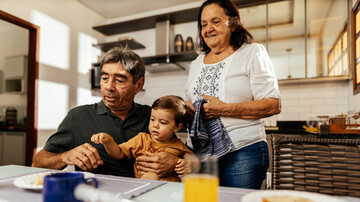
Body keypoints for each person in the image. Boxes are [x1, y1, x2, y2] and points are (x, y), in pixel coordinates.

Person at [32, 47, 178, 178]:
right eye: (105, 78)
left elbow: (181, 155)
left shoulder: (153, 117)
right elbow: (38, 163)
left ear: (139, 85)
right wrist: (65, 156)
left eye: (119, 81)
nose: (109, 87)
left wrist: (175, 162)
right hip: (95, 196)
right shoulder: (77, 116)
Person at [184, 0, 281, 189]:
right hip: (200, 153)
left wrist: (224, 109)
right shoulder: (196, 62)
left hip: (242, 151)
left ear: (233, 23)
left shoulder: (252, 53)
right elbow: (189, 101)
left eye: (215, 21)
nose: (208, 29)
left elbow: (273, 104)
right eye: (204, 24)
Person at [91, 95, 196, 182]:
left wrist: (187, 163)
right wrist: (108, 141)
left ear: (177, 127)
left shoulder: (178, 145)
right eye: (152, 119)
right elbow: (118, 153)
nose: (155, 125)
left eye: (163, 122)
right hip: (145, 188)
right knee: (151, 176)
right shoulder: (141, 139)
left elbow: (193, 159)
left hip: (171, 191)